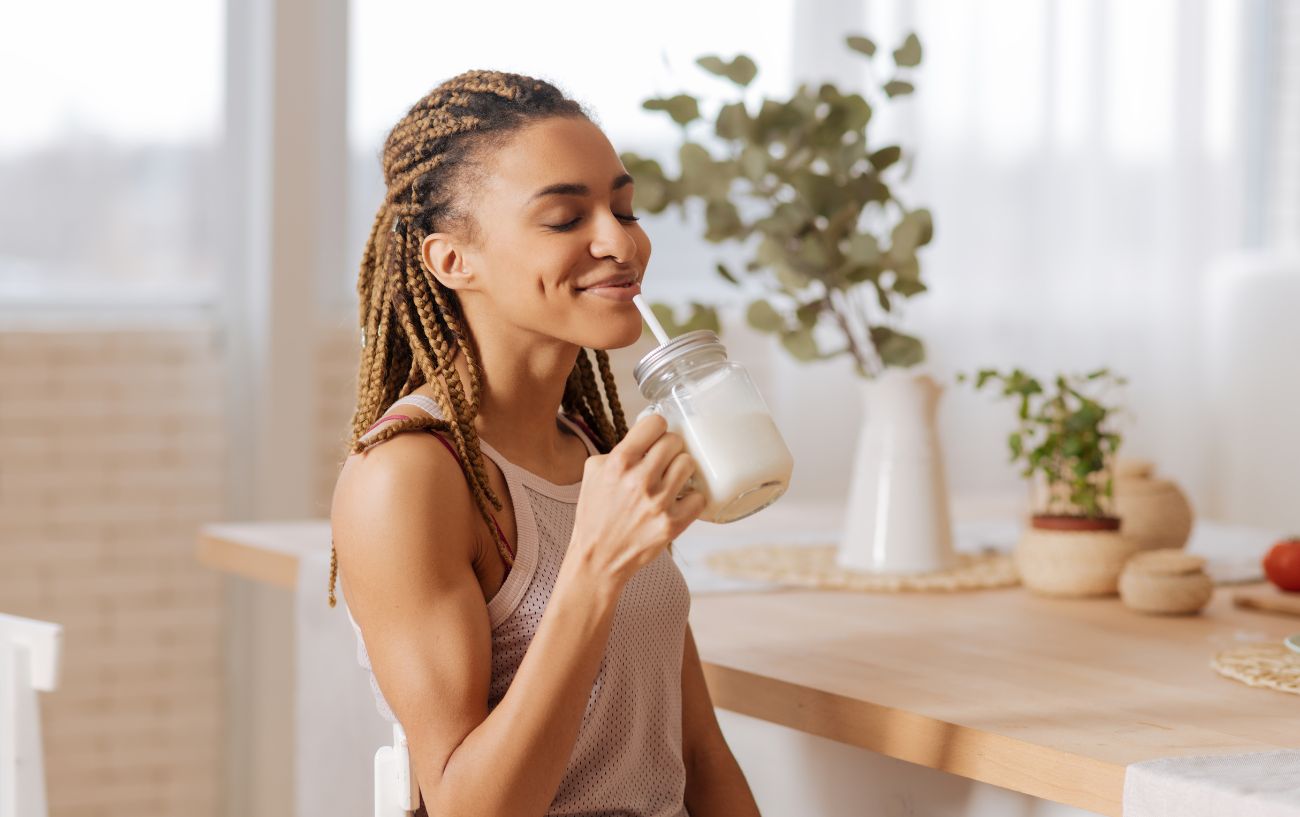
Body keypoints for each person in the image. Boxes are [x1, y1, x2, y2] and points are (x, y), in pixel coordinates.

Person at [328, 69, 761, 817]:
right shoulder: (408, 477)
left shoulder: (599, 448)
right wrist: (593, 568)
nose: (619, 241)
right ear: (451, 260)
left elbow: (698, 756)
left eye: (623, 208)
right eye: (566, 219)